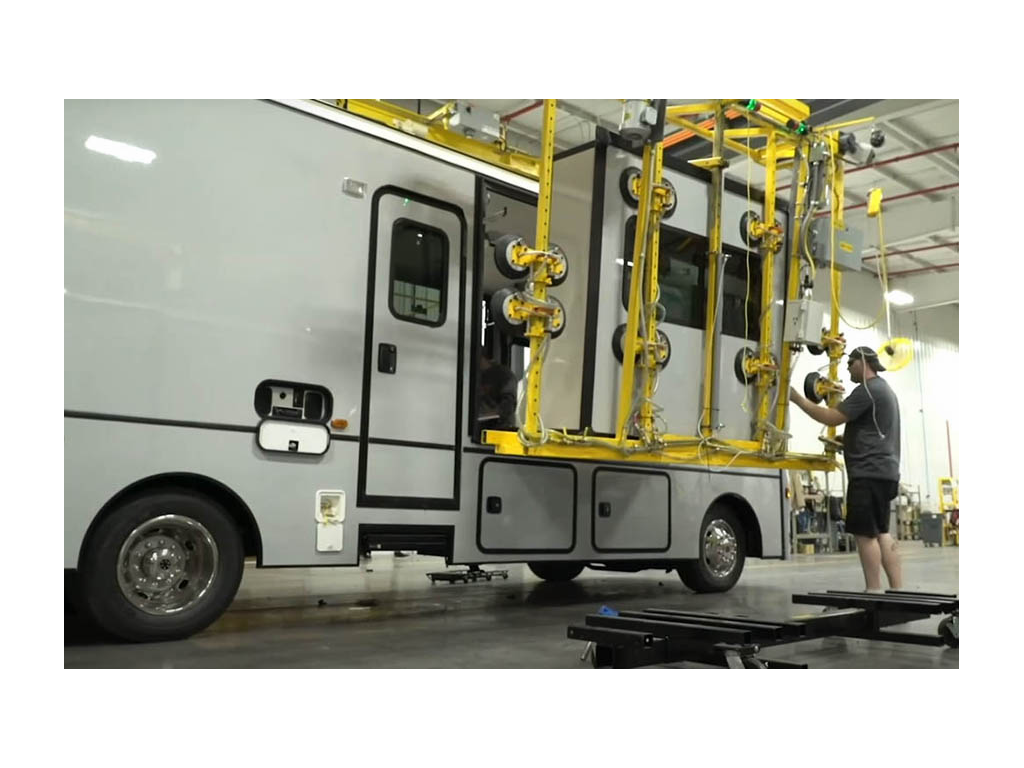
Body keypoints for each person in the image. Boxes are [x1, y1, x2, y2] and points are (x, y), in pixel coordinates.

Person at [789, 346, 902, 592]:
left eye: (850, 363)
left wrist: (797, 399)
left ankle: (873, 591)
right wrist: (847, 441)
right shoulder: (885, 390)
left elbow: (830, 417)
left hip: (867, 474)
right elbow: (875, 432)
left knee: (865, 535)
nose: (847, 367)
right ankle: (897, 590)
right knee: (882, 532)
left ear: (863, 362)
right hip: (885, 473)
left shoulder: (867, 391)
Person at [478, 356, 519, 431]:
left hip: (500, 429)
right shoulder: (480, 374)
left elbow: (507, 407)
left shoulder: (504, 375)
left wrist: (492, 413)